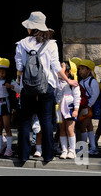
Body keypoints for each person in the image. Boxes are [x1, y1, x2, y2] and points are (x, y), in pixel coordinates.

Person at [15, 11, 78, 162]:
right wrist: (68, 81)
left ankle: (23, 155)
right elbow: (56, 66)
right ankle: (48, 155)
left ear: (31, 27)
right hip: (46, 86)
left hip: (27, 88)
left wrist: (19, 80)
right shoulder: (51, 44)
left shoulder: (21, 44)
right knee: (47, 121)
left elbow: (19, 67)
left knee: (24, 122)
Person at [55, 61, 80, 159]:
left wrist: (76, 110)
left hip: (69, 107)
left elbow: (77, 97)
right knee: (61, 129)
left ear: (68, 72)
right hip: (58, 108)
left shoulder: (73, 83)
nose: (59, 70)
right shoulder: (57, 82)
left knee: (70, 129)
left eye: (62, 68)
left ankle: (72, 150)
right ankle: (64, 150)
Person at [77, 59, 101, 155]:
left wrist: (88, 105)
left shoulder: (93, 81)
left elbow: (95, 94)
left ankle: (85, 147)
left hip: (87, 107)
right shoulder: (82, 81)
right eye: (80, 69)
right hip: (84, 107)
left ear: (89, 70)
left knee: (84, 126)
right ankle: (92, 147)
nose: (80, 71)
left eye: (83, 69)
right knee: (88, 126)